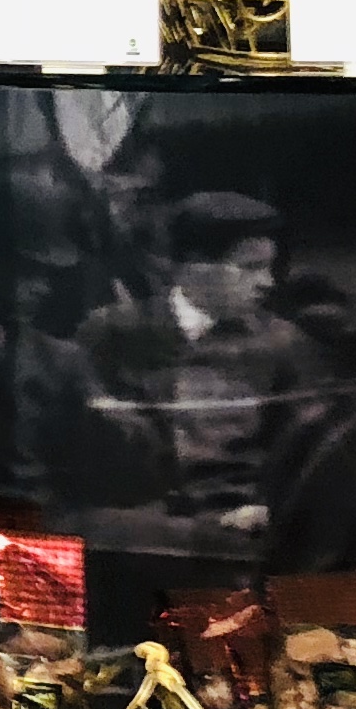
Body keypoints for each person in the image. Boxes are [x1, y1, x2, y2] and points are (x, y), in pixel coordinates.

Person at [75, 189, 325, 531]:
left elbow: (307, 447)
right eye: (250, 267)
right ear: (193, 265)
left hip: (236, 526)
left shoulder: (283, 344)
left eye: (270, 268)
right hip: (133, 523)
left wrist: (270, 506)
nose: (267, 282)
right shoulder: (113, 332)